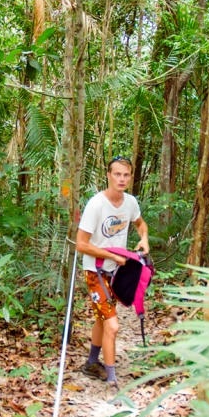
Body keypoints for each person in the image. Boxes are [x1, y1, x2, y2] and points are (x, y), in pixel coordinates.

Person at [75, 156, 149, 391]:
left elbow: (141, 224)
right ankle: (112, 379)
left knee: (102, 318)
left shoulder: (130, 202)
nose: (121, 179)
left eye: (126, 175)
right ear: (108, 175)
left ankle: (91, 363)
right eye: (117, 174)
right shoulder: (96, 205)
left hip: (116, 272)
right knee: (113, 325)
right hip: (95, 271)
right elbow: (81, 244)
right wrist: (112, 256)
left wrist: (144, 239)